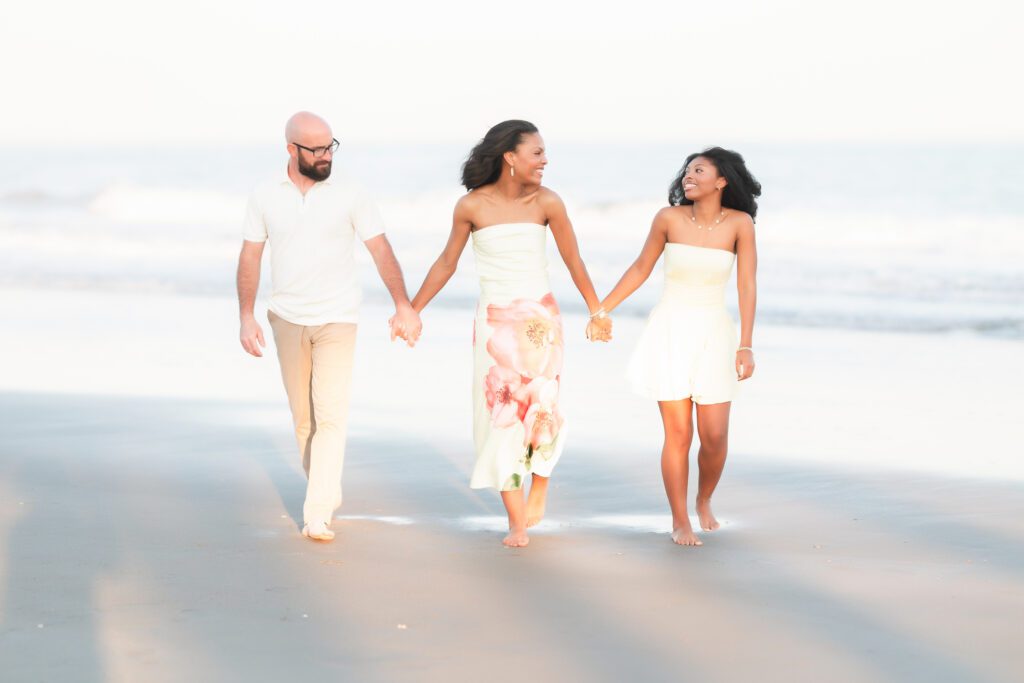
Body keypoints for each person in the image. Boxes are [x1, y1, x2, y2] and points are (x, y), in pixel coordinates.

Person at [402, 120, 609, 547]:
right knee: (499, 414)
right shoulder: (471, 206)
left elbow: (574, 260)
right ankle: (515, 520)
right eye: (536, 152)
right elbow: (446, 263)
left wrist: (597, 309)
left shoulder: (548, 202)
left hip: (541, 322)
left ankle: (542, 481)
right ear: (510, 158)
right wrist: (412, 308)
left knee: (543, 406)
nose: (544, 160)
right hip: (494, 322)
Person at [236, 111, 421, 542]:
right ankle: (324, 487)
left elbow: (380, 249)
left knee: (332, 416)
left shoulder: (351, 193)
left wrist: (403, 304)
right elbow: (250, 256)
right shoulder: (265, 195)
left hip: (339, 317)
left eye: (329, 147)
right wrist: (246, 315)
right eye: (315, 149)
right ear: (291, 149)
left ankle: (316, 512)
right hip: (285, 317)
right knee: (305, 420)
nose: (324, 156)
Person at [596, 147, 760, 546]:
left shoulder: (739, 224)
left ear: (721, 182)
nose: (689, 176)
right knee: (678, 434)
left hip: (715, 334)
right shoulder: (667, 219)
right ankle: (680, 519)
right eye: (687, 171)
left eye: (699, 171)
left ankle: (704, 499)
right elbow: (640, 268)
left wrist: (746, 344)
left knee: (715, 436)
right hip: (669, 330)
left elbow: (746, 284)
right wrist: (602, 309)